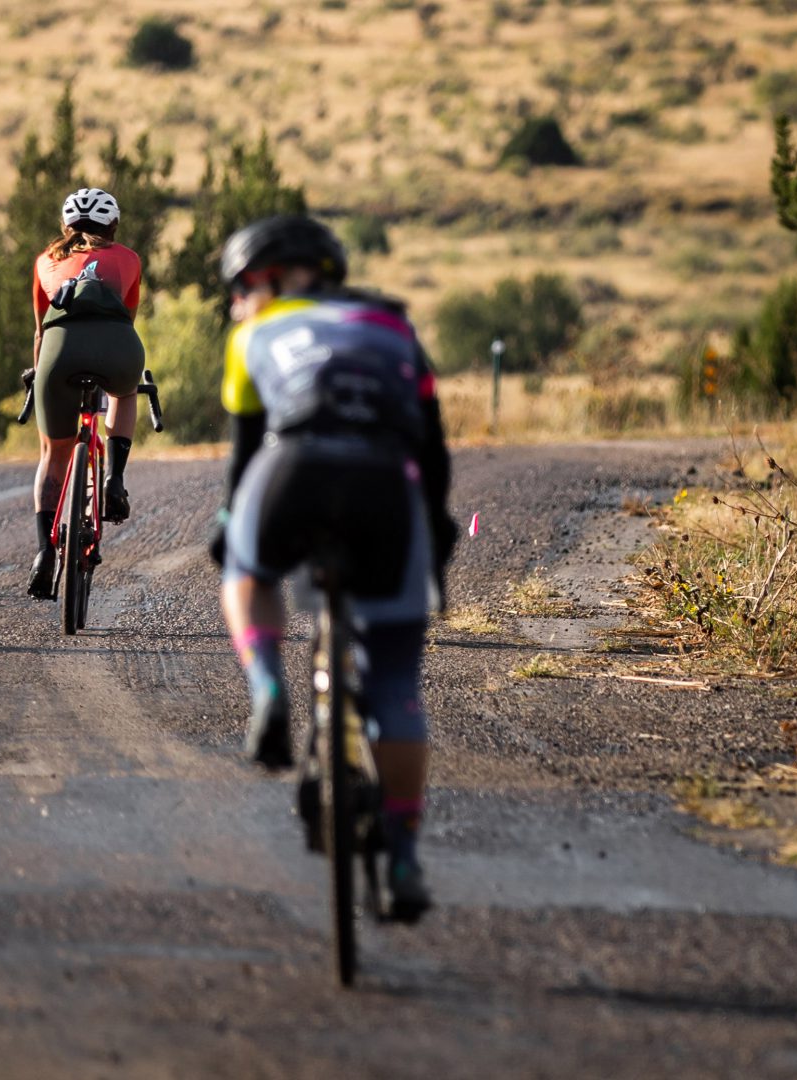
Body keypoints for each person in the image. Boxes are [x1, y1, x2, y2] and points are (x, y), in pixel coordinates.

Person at [210, 213, 458, 920]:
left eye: (238, 288)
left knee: (246, 572)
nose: (235, 304)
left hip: (295, 469)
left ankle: (266, 690)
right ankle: (405, 855)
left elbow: (245, 455)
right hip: (388, 487)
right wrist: (435, 545)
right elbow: (433, 455)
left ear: (272, 279)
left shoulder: (254, 333)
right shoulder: (395, 326)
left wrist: (232, 529)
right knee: (397, 687)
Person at [26, 188, 145, 598]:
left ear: (65, 226)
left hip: (59, 355)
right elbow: (127, 318)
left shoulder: (46, 261)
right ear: (112, 226)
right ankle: (114, 478)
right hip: (117, 348)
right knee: (125, 393)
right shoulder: (129, 260)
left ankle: (44, 551)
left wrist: (39, 373)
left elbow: (42, 332)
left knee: (53, 454)